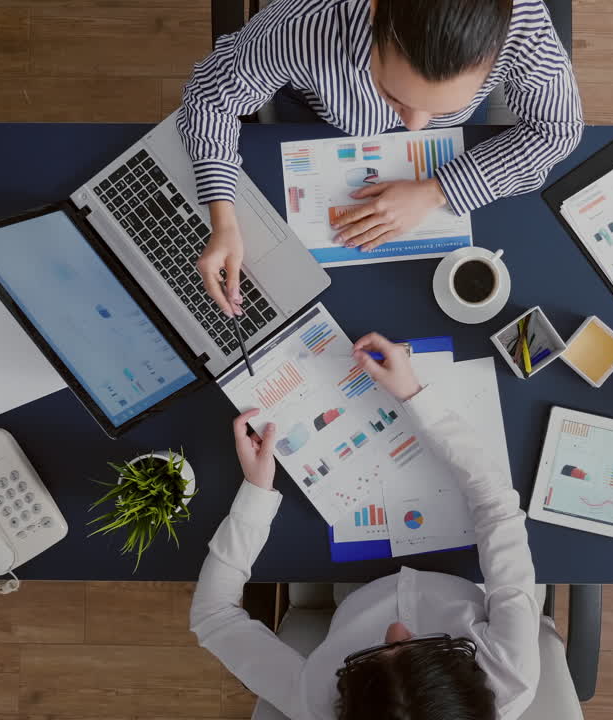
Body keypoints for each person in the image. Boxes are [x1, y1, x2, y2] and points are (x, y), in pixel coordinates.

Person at [190, 333, 541, 719]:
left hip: (353, 583)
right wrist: (414, 396)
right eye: (430, 645)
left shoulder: (319, 703)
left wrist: (256, 493)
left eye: (371, 654)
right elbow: (496, 507)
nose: (396, 629)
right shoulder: (511, 671)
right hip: (461, 572)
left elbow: (212, 616)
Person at [178, 0, 583, 317]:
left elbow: (557, 128)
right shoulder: (302, 26)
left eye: (438, 108)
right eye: (394, 95)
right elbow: (210, 99)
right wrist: (224, 219)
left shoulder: (523, 23)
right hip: (318, 120)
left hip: (445, 161)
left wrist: (437, 190)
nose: (415, 127)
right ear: (375, 11)